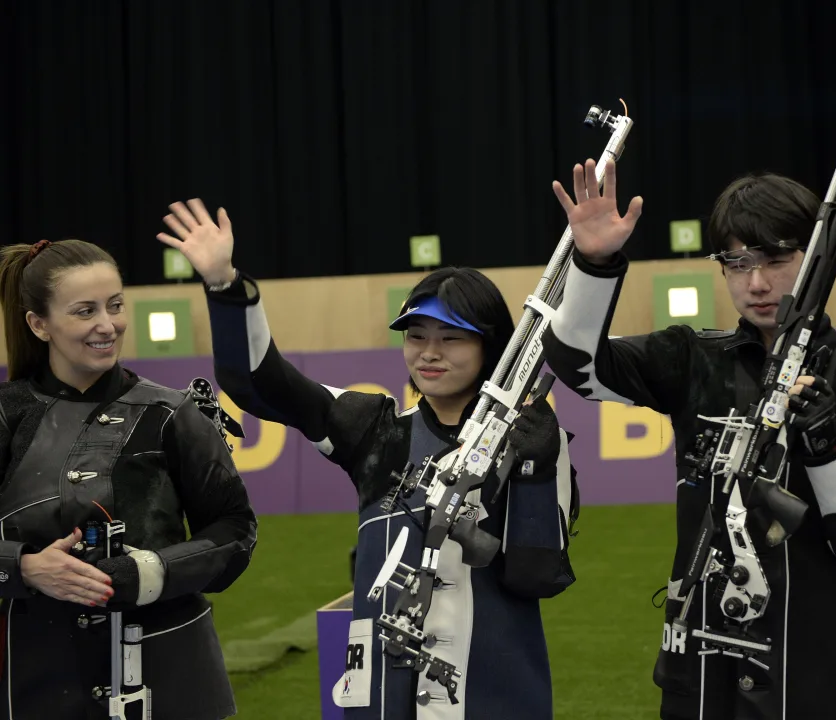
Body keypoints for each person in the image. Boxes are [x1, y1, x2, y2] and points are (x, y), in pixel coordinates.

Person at [156, 199, 579, 720]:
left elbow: (539, 576)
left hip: (492, 695)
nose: (429, 352)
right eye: (416, 337)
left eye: (451, 339)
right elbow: (260, 383)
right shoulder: (376, 429)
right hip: (378, 693)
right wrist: (225, 285)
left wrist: (535, 468)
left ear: (490, 346)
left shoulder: (532, 440)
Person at [542, 162, 836, 720]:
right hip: (702, 670)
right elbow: (577, 368)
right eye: (737, 263)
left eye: (774, 259)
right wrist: (595, 264)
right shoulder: (695, 358)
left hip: (819, 675)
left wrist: (826, 443)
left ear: (814, 257)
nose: (757, 282)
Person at [0, 238, 257, 719]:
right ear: (39, 324)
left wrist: (150, 573)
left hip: (171, 673)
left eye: (115, 305)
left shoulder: (172, 412)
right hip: (36, 681)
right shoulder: (6, 414)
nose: (107, 324)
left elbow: (235, 532)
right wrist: (24, 567)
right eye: (84, 311)